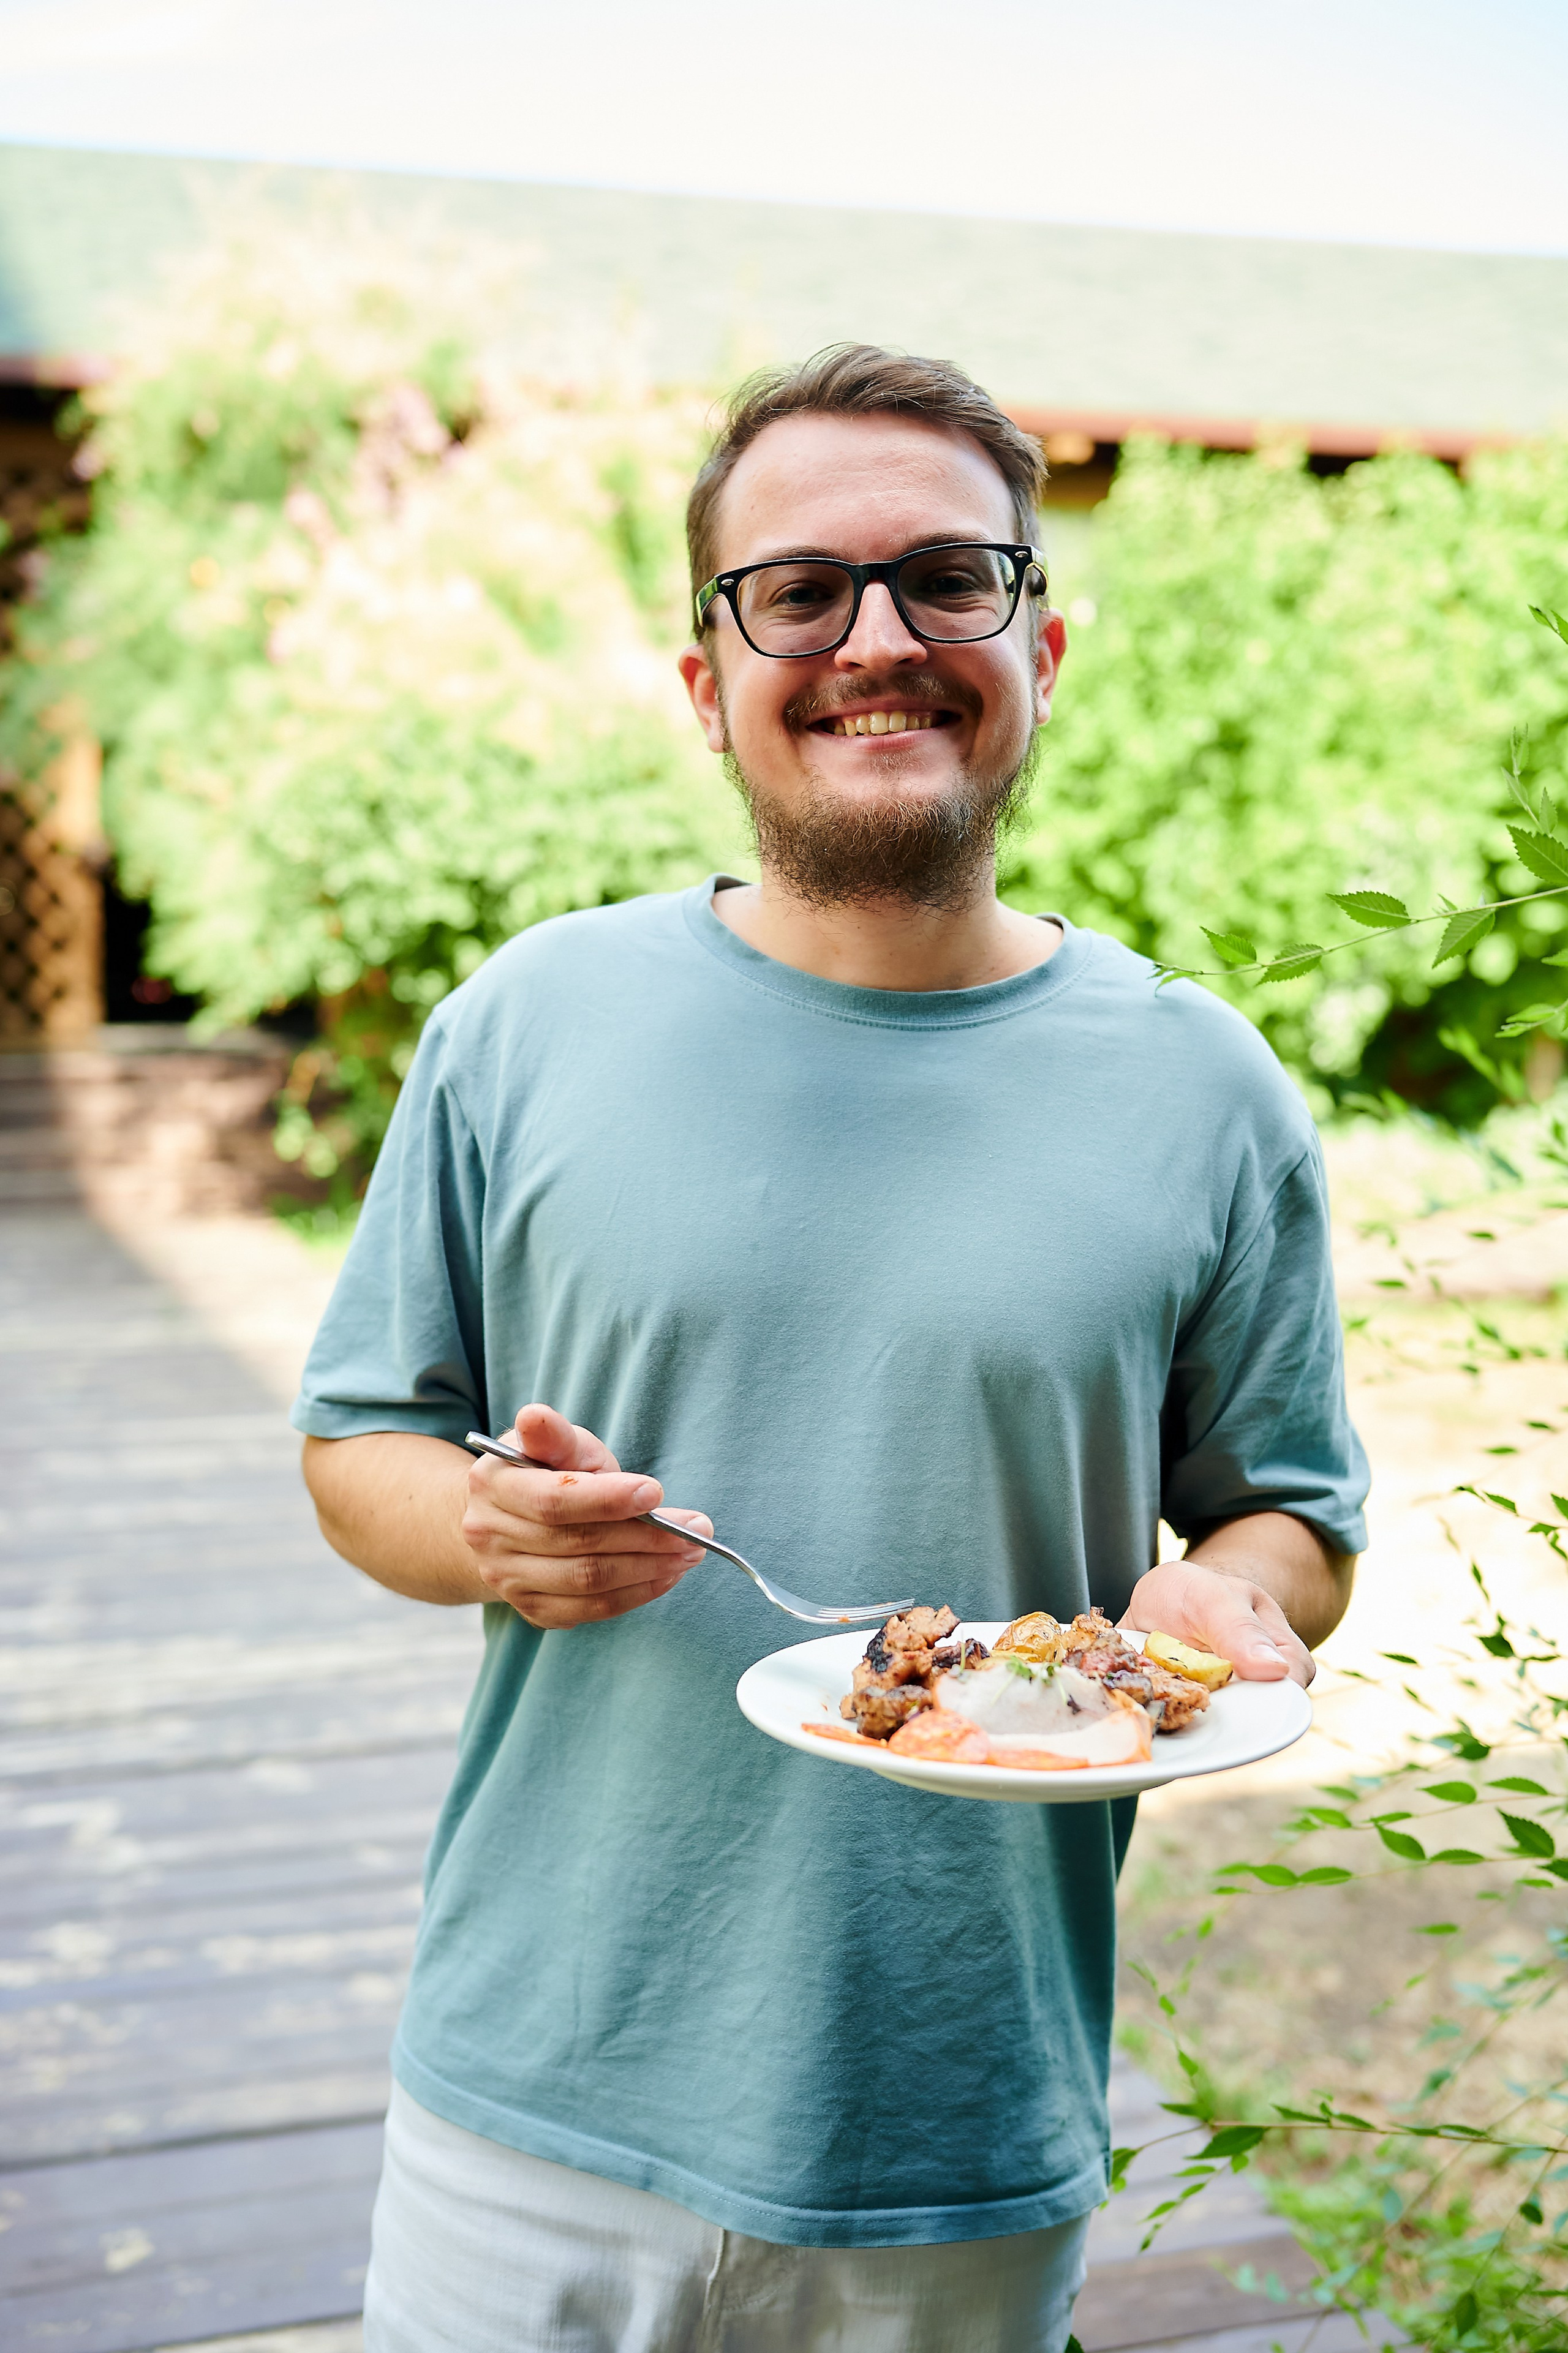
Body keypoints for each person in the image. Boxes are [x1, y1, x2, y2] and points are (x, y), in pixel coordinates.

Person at [294, 343, 1368, 2352]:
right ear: (710, 678)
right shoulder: (524, 1025)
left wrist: (1230, 1588)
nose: (880, 638)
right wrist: (487, 1528)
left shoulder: (1206, 1088)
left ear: (1040, 642)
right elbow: (362, 1442)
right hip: (533, 2096)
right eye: (800, 590)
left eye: (949, 578)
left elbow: (1289, 1511)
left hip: (956, 2123)